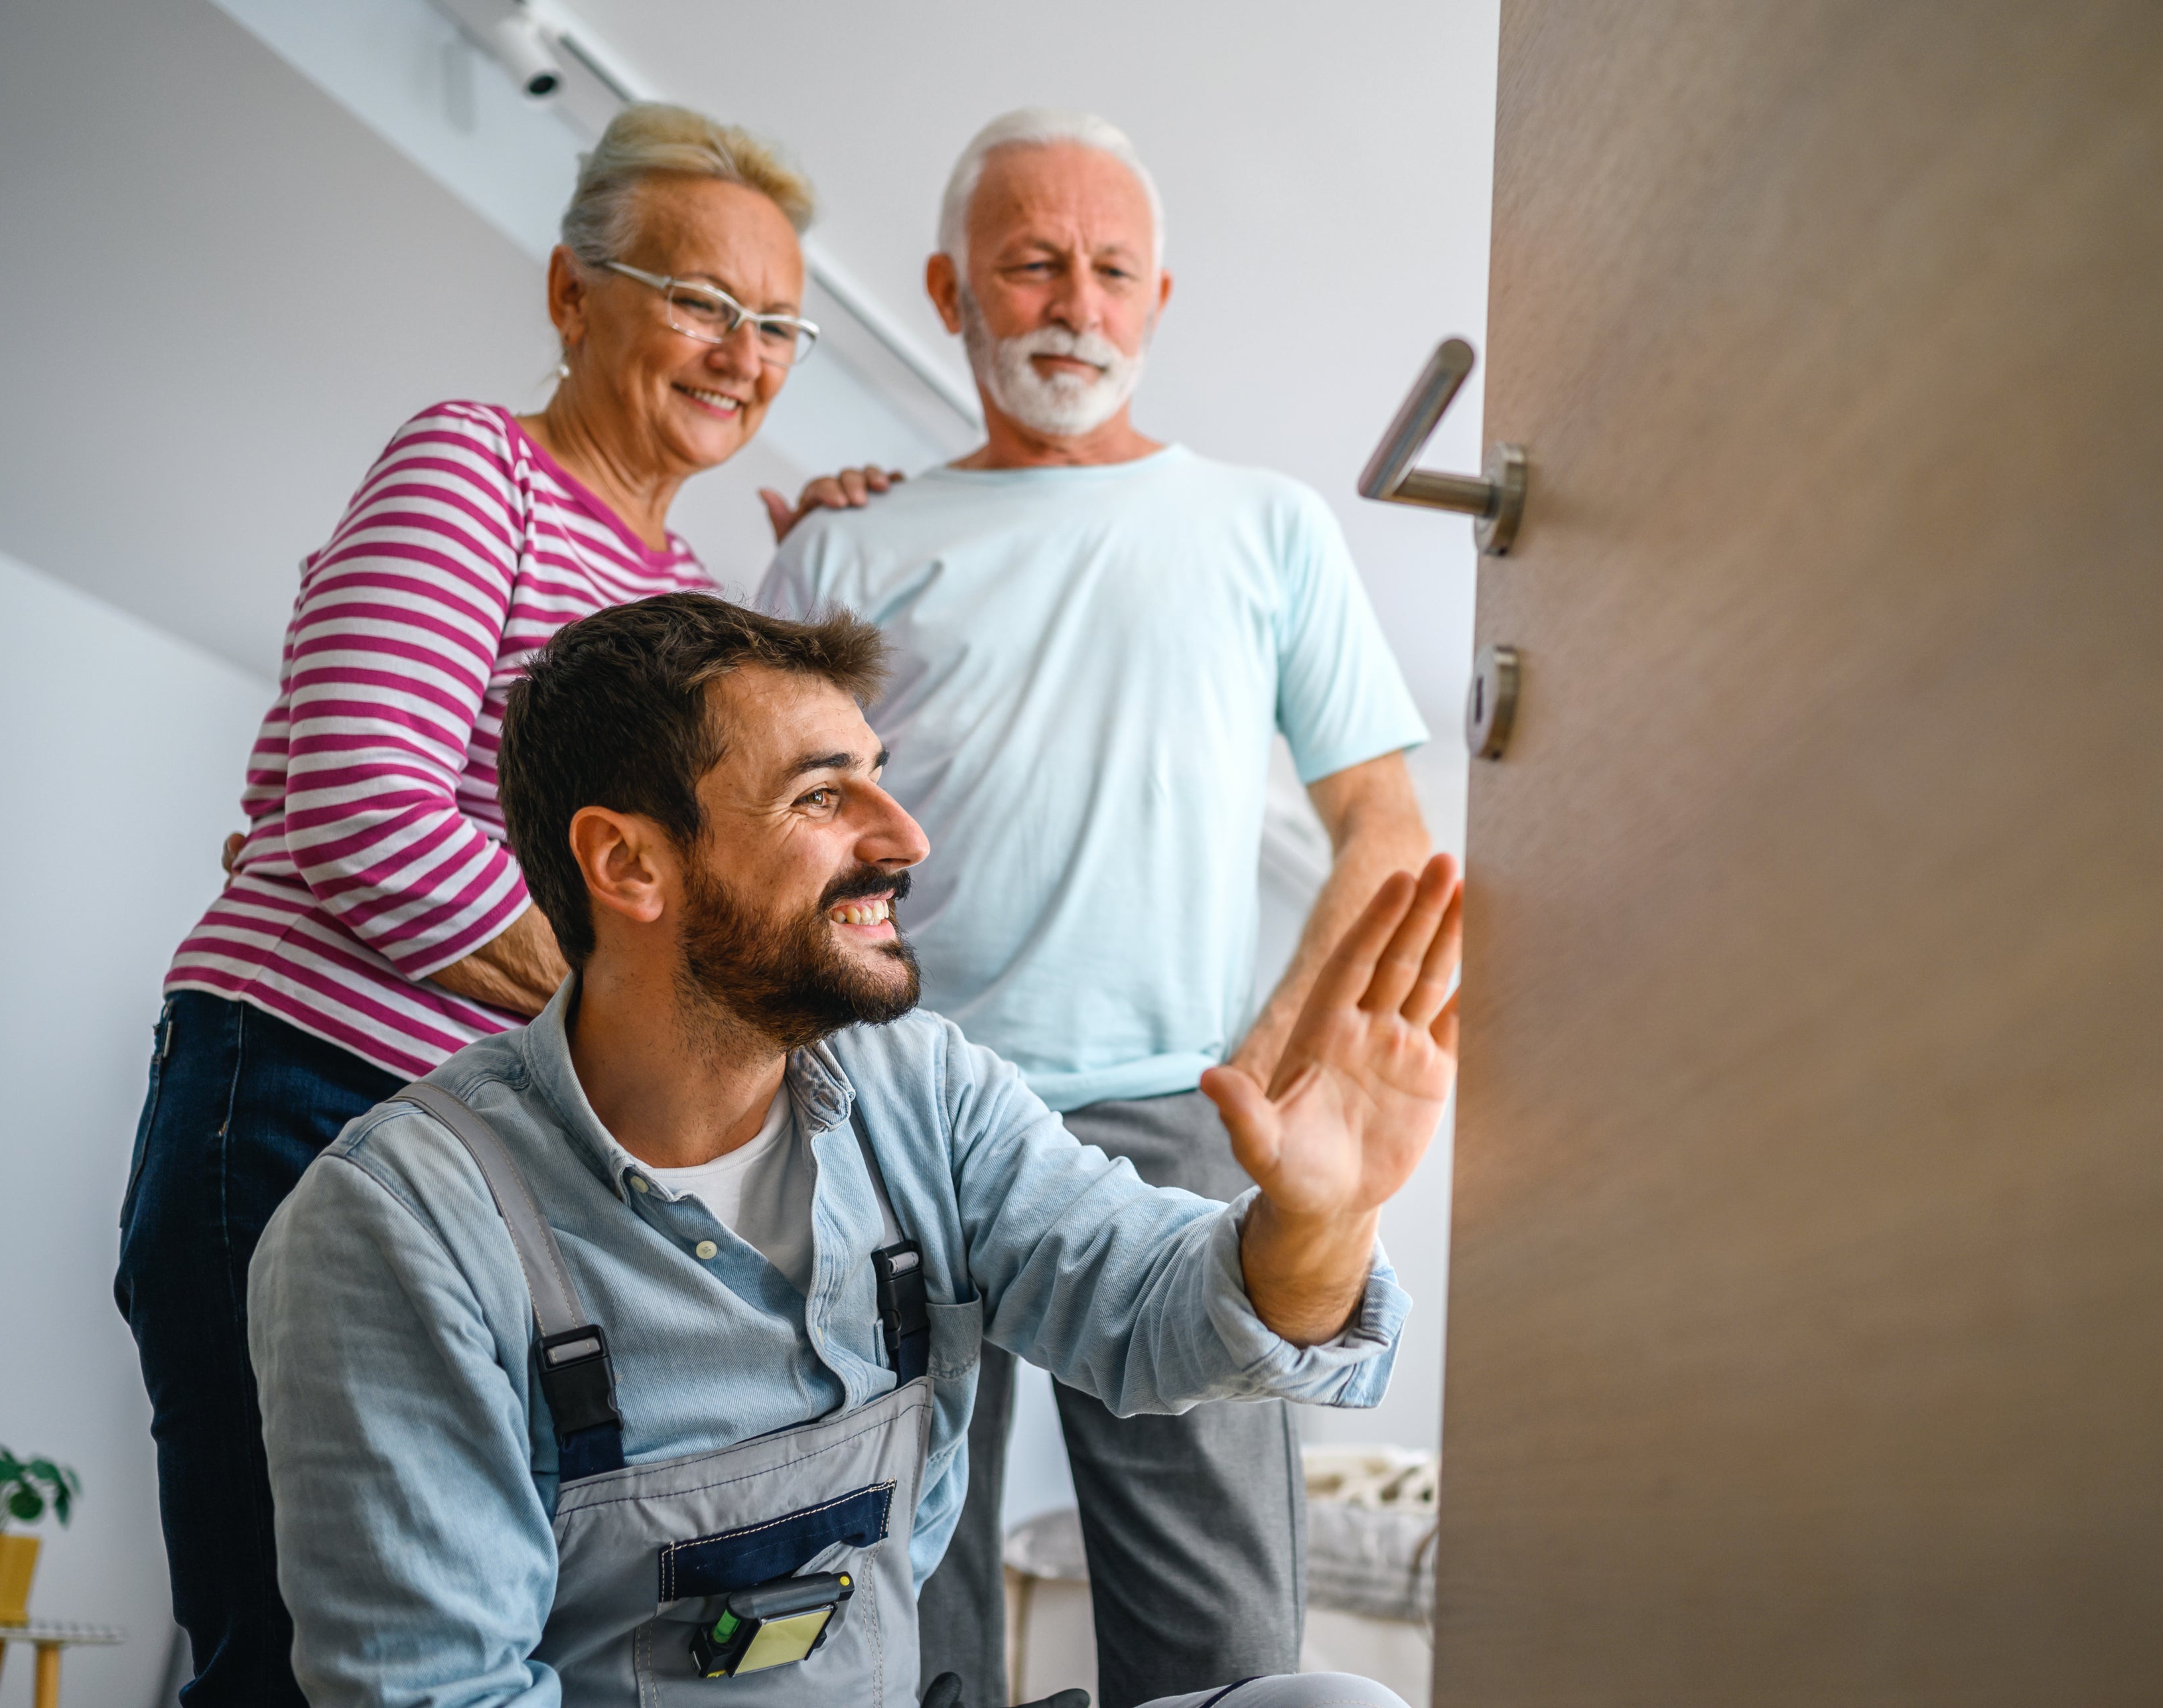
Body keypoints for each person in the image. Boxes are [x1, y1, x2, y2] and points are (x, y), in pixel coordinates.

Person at [244, 593, 1464, 1708]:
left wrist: (1325, 1214)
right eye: (824, 795)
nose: (906, 837)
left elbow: (1162, 1311)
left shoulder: (918, 1087)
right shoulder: (399, 1222)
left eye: (879, 779)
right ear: (629, 863)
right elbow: (432, 1692)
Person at [114, 104, 833, 1706]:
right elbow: (363, 805)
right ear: (575, 298)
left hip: (487, 1159)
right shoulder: (475, 465)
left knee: (464, 1640)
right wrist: (637, 1009)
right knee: (299, 1655)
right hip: (302, 1097)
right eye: (700, 300)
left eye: (778, 321)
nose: (743, 351)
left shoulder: (692, 602)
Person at [756, 109, 1433, 1708]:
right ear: (946, 289)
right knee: (884, 1615)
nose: (1076, 301)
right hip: (884, 1128)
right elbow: (766, 845)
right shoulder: (845, 543)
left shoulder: (1266, 526)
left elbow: (1387, 835)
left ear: (1159, 297)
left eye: (1112, 269)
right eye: (1033, 262)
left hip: (1175, 1128)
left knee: (1222, 1644)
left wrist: (1261, 1064)